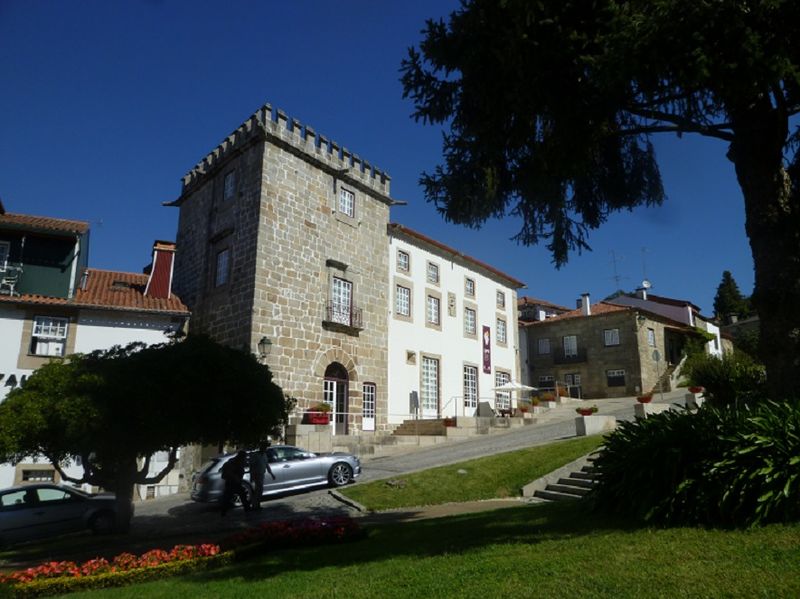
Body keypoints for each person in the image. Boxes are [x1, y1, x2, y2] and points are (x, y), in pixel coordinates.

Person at [219, 450, 249, 516]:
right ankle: (223, 512)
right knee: (231, 496)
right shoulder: (234, 462)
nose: (245, 458)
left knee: (240, 494)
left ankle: (224, 512)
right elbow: (230, 472)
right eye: (244, 457)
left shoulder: (236, 461)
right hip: (232, 482)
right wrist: (236, 478)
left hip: (234, 482)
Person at [249, 442, 275, 510]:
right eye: (263, 447)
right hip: (256, 474)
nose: (264, 449)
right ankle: (254, 505)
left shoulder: (264, 455)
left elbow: (267, 465)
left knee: (260, 490)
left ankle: (257, 505)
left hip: (261, 474)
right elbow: (251, 465)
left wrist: (271, 474)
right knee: (257, 490)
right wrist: (252, 476)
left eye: (265, 448)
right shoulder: (255, 455)